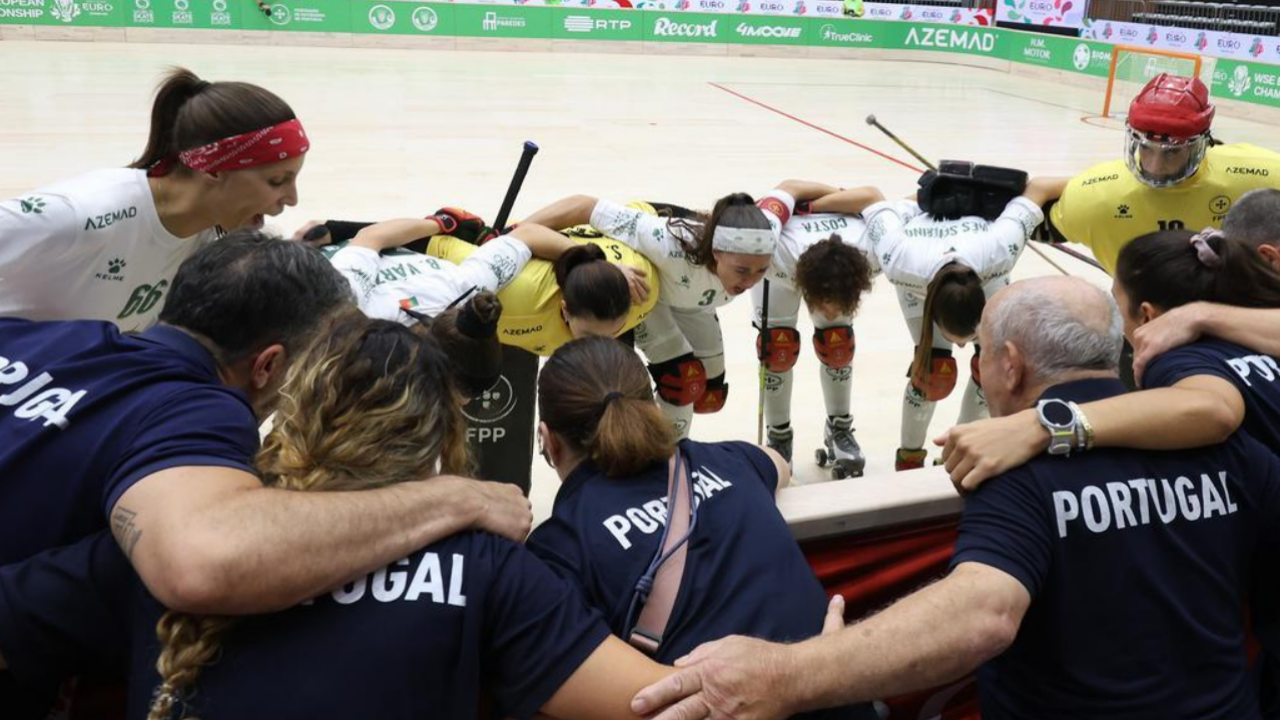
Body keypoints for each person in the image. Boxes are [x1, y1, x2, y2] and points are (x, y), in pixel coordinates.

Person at [630, 276, 1280, 720]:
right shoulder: (1222, 446)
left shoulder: (1016, 464)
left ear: (1010, 365)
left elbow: (984, 615)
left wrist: (781, 675)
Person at [0, 314, 671, 720]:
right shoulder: (482, 567)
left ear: (291, 415)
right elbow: (652, 706)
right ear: (443, 441)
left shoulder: (171, 541)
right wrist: (777, 665)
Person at [936, 229, 1280, 718]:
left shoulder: (1176, 366)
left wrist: (796, 672)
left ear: (1010, 365)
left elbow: (982, 617)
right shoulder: (1238, 448)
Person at [525, 336, 876, 720]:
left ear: (547, 439)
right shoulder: (729, 461)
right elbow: (778, 463)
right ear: (651, 409)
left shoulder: (559, 547)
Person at [523, 181, 842, 438]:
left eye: (761, 271)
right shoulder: (665, 240)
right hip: (653, 295)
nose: (749, 282)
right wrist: (517, 232)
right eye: (742, 270)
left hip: (695, 301)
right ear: (716, 253)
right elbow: (583, 204)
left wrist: (838, 195)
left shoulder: (764, 234)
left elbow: (790, 187)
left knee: (709, 397)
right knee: (682, 382)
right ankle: (667, 459)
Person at [0, 68, 309, 331]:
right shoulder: (83, 214)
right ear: (213, 170)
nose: (292, 199)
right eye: (277, 181)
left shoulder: (203, 241)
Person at [861, 170, 1065, 470]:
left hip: (984, 269)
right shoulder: (899, 261)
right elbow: (874, 201)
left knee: (992, 370)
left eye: (969, 337)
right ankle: (909, 458)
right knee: (932, 372)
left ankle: (958, 448)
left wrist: (1116, 179)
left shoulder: (1000, 249)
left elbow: (1041, 186)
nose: (959, 346)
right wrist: (927, 198)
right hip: (919, 282)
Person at [1046, 73, 1280, 275]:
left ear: (1200, 145)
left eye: (1171, 153)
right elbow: (1046, 225)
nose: (1155, 167)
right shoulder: (1095, 195)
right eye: (1146, 148)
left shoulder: (1096, 192)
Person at [751, 186, 881, 477]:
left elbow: (873, 194)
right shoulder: (769, 248)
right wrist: (802, 203)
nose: (835, 312)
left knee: (838, 346)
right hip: (782, 256)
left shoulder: (873, 250)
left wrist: (820, 204)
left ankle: (839, 427)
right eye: (828, 305)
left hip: (835, 259)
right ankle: (779, 435)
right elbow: (788, 187)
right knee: (777, 350)